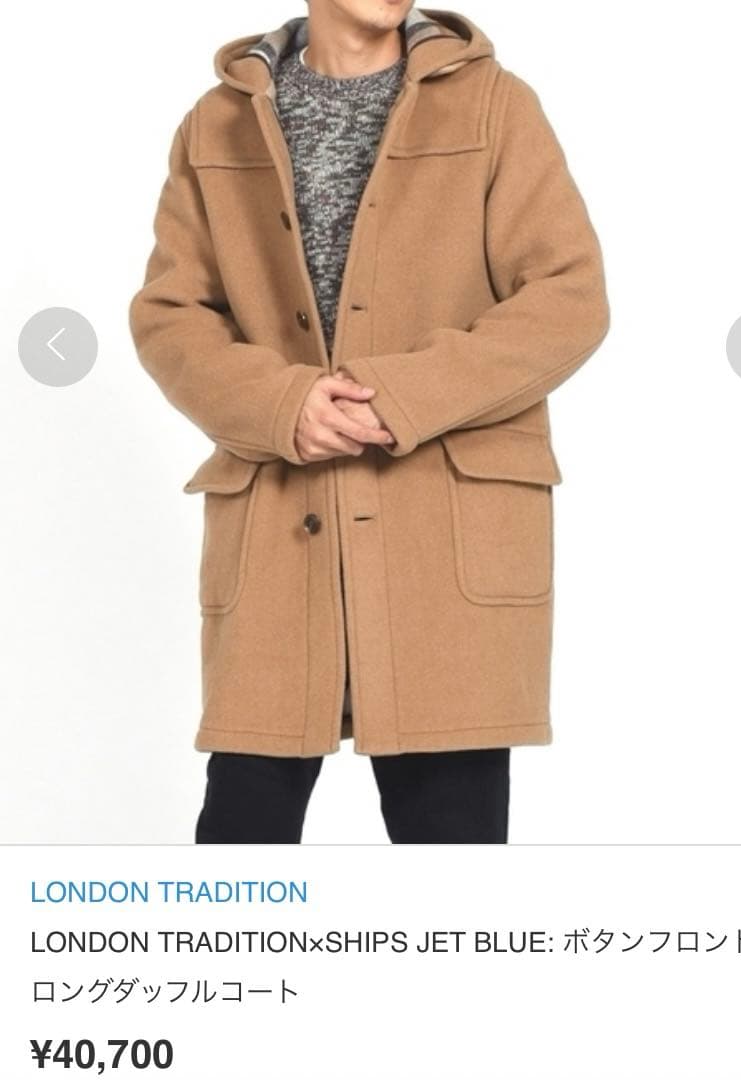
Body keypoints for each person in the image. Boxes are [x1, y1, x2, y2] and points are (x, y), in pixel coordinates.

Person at [128, 1, 609, 844]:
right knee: (240, 843)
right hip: (280, 535)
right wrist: (280, 405)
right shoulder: (218, 123)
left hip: (442, 540)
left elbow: (568, 300)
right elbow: (172, 316)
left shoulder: (494, 104)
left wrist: (400, 396)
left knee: (449, 854)